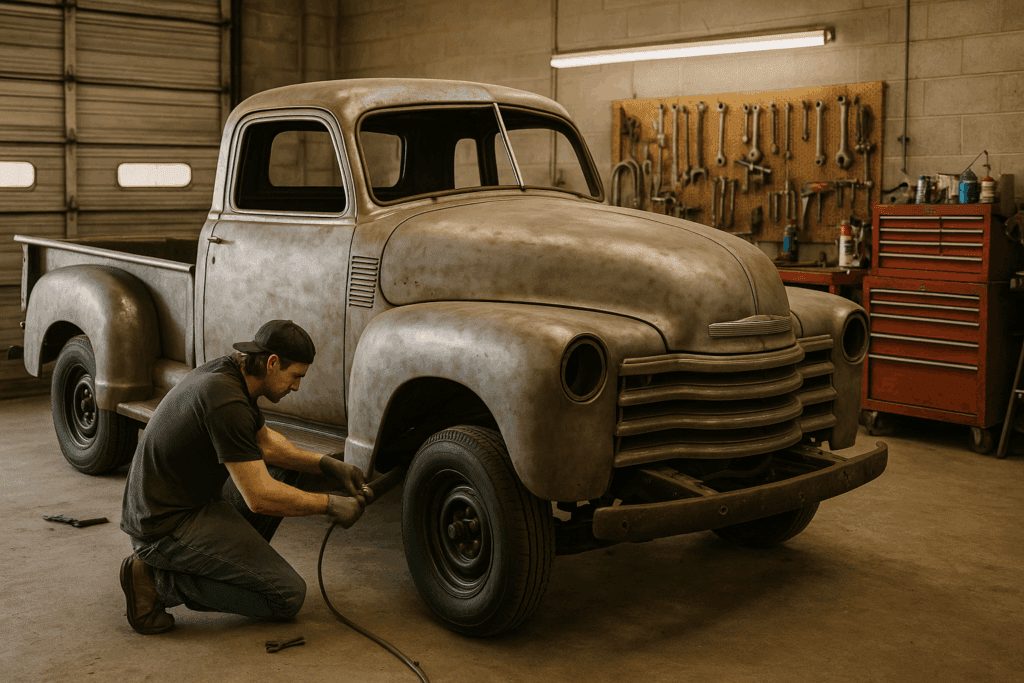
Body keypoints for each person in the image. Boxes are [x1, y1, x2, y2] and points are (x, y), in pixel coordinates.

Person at [119, 319, 369, 635]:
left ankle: (221, 567)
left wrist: (327, 465)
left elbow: (265, 444)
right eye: (295, 377)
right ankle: (158, 582)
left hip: (186, 501)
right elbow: (259, 497)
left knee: (284, 472)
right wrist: (331, 504)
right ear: (273, 363)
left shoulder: (230, 374)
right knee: (286, 596)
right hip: (163, 525)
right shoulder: (226, 401)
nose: (296, 387)